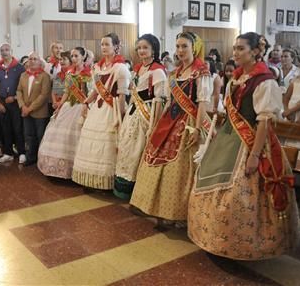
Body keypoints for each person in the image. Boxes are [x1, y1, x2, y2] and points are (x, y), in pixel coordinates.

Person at [188, 32, 298, 260]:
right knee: (212, 182)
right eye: (235, 48)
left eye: (240, 48)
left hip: (251, 142)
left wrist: (255, 155)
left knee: (238, 191)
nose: (235, 52)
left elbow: (264, 121)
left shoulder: (265, 81)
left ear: (255, 51)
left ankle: (244, 244)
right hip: (228, 138)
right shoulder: (237, 78)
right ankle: (214, 239)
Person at [130, 32, 212, 228]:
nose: (180, 50)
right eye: (178, 46)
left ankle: (180, 214)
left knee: (180, 170)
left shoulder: (201, 72)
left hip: (190, 121)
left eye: (184, 46)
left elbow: (202, 103)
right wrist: (158, 124)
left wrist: (196, 128)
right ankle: (160, 210)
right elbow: (168, 102)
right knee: (156, 160)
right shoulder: (174, 73)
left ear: (194, 48)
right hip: (170, 120)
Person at [72, 33, 130, 190]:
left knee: (107, 146)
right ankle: (92, 180)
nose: (103, 47)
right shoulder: (97, 67)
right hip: (98, 108)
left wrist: (122, 116)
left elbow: (123, 95)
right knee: (92, 144)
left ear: (116, 47)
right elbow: (96, 91)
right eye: (102, 44)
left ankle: (107, 181)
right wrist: (86, 102)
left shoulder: (121, 68)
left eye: (107, 44)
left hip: (113, 109)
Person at [113, 34, 167, 199]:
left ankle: (138, 190)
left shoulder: (157, 70)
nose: (141, 51)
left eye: (145, 48)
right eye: (139, 48)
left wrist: (154, 124)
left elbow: (159, 99)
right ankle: (123, 188)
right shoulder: (137, 68)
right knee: (127, 148)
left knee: (138, 149)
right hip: (133, 111)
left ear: (153, 50)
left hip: (147, 114)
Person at [38, 46, 92, 178]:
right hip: (69, 106)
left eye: (76, 56)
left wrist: (86, 105)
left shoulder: (89, 73)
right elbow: (66, 92)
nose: (73, 59)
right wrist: (60, 106)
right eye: (72, 56)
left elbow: (90, 93)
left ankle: (78, 169)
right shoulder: (69, 73)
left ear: (83, 57)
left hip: (82, 106)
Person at [16, 52, 51, 166]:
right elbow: (19, 91)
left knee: (40, 136)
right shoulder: (23, 75)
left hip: (39, 112)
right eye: (30, 59)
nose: (32, 61)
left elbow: (43, 95)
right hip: (25, 111)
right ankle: (30, 157)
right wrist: (22, 106)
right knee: (28, 135)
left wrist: (29, 108)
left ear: (40, 62)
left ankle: (41, 160)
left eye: (35, 59)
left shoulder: (45, 76)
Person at [0, 43, 26, 164]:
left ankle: (22, 152)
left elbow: (24, 88)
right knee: (5, 128)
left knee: (17, 128)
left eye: (6, 50)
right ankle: (8, 153)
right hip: (2, 102)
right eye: (2, 50)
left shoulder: (20, 67)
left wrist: (15, 98)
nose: (4, 52)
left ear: (11, 51)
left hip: (15, 101)